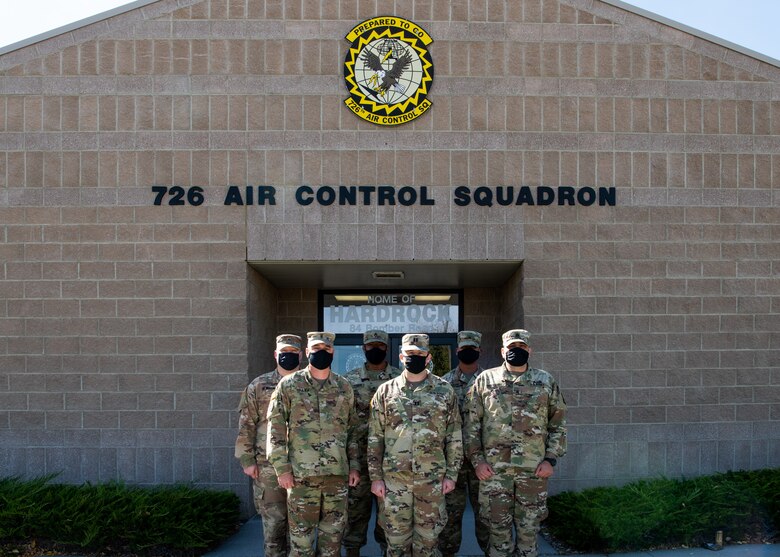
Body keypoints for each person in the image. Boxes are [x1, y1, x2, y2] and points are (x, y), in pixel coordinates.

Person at [464, 329, 567, 557]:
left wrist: (551, 459)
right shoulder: (485, 380)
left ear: (529, 350)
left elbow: (558, 424)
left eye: (521, 348)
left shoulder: (545, 381)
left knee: (529, 534)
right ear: (503, 351)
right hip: (494, 474)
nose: (516, 351)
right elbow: (470, 425)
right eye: (511, 348)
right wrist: (478, 461)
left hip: (533, 472)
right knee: (498, 535)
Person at [266, 331, 361, 557]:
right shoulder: (289, 385)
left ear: (332, 353)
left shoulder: (344, 387)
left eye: (326, 350)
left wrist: (355, 465)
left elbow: (353, 430)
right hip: (301, 478)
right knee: (301, 545)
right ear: (307, 352)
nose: (321, 353)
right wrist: (282, 469)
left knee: (332, 543)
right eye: (316, 349)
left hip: (336, 477)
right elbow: (275, 429)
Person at [368, 333, 463, 557]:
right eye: (410, 354)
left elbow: (454, 436)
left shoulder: (444, 390)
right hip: (394, 484)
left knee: (428, 545)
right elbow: (375, 438)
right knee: (396, 546)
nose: (414, 358)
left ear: (428, 357)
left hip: (432, 482)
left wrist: (452, 474)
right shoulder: (385, 391)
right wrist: (375, 478)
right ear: (401, 357)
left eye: (419, 354)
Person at [234, 333, 303, 557]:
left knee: (300, 527)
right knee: (274, 525)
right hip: (267, 466)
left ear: (301, 355)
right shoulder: (258, 386)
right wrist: (247, 460)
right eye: (284, 352)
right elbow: (246, 426)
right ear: (276, 354)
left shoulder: (307, 385)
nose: (288, 356)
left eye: (293, 352)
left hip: (302, 465)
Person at [343, 330, 402, 557]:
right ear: (363, 349)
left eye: (379, 345)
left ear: (386, 349)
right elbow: (345, 423)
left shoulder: (398, 379)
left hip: (389, 462)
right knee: (355, 514)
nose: (374, 349)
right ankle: (352, 552)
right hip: (358, 458)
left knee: (388, 516)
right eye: (370, 346)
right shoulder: (349, 380)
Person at [439, 331, 489, 557]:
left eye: (473, 349)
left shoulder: (491, 382)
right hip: (454, 463)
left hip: (484, 462)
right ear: (458, 351)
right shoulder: (445, 384)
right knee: (450, 515)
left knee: (486, 515)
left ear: (479, 352)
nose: (468, 352)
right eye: (464, 348)